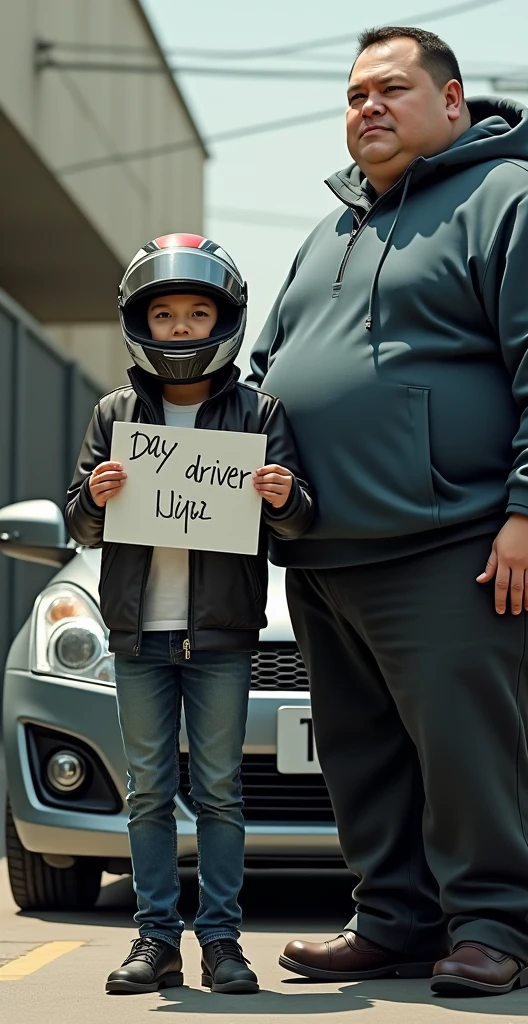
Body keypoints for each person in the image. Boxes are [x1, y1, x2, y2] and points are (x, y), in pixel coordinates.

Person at [247, 28, 528, 997]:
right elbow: (266, 376)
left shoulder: (520, 201)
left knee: (472, 743)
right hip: (328, 546)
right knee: (363, 752)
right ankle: (394, 918)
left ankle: (492, 925)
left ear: (455, 101)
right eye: (352, 96)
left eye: (392, 89)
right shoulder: (328, 233)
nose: (367, 108)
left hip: (466, 536)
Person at [65, 233, 313, 996]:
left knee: (218, 790)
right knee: (146, 789)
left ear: (223, 320)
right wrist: (97, 497)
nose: (179, 328)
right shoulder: (114, 413)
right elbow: (79, 524)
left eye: (196, 313)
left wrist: (283, 497)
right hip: (139, 634)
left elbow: (300, 524)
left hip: (223, 635)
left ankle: (224, 943)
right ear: (142, 321)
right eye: (165, 313)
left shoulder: (258, 412)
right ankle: (154, 940)